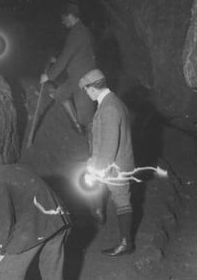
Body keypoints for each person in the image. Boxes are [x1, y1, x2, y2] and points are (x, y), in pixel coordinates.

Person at [0, 155, 71, 280]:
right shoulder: (17, 168)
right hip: (58, 220)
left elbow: (5, 220)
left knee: (7, 272)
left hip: (36, 226)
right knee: (52, 272)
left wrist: (2, 250)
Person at [79, 69, 135, 257]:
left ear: (92, 88)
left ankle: (126, 243)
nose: (86, 94)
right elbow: (104, 139)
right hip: (115, 162)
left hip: (115, 166)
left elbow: (110, 143)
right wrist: (93, 160)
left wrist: (97, 169)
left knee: (121, 200)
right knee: (107, 193)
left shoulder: (109, 107)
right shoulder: (112, 102)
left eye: (86, 90)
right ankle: (98, 215)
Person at [40, 2, 96, 134]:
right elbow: (76, 54)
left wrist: (48, 75)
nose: (63, 22)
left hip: (84, 81)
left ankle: (95, 151)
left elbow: (66, 55)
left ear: (70, 16)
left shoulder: (78, 33)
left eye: (63, 18)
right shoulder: (81, 31)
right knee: (59, 94)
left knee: (87, 119)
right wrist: (57, 60)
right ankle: (77, 126)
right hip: (76, 77)